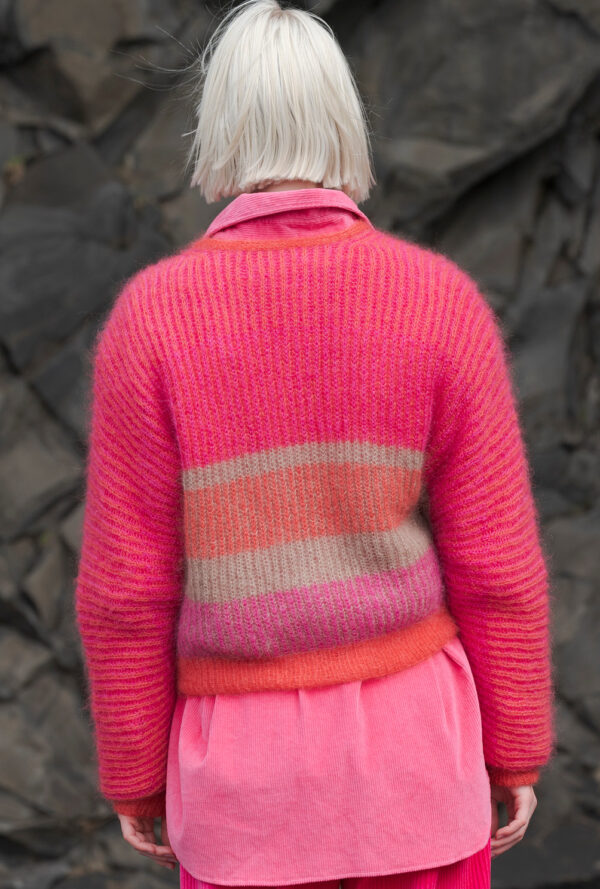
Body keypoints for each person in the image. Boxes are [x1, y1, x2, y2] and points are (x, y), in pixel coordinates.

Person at [74, 1, 557, 887]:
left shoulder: (152, 319)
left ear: (218, 126)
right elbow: (496, 560)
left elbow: (126, 588)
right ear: (343, 120)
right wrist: (516, 745)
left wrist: (136, 772)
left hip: (242, 796)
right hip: (421, 771)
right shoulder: (438, 300)